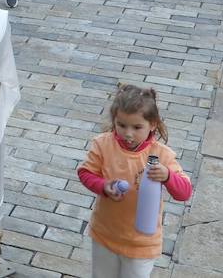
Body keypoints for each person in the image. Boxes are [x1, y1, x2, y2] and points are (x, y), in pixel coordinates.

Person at [77, 84, 193, 278]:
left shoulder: (161, 155)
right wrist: (103, 186)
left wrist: (168, 176)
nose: (128, 133)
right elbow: (85, 173)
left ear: (153, 124)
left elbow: (184, 192)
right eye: (121, 125)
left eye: (137, 127)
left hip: (142, 242)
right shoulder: (103, 144)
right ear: (114, 120)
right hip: (105, 234)